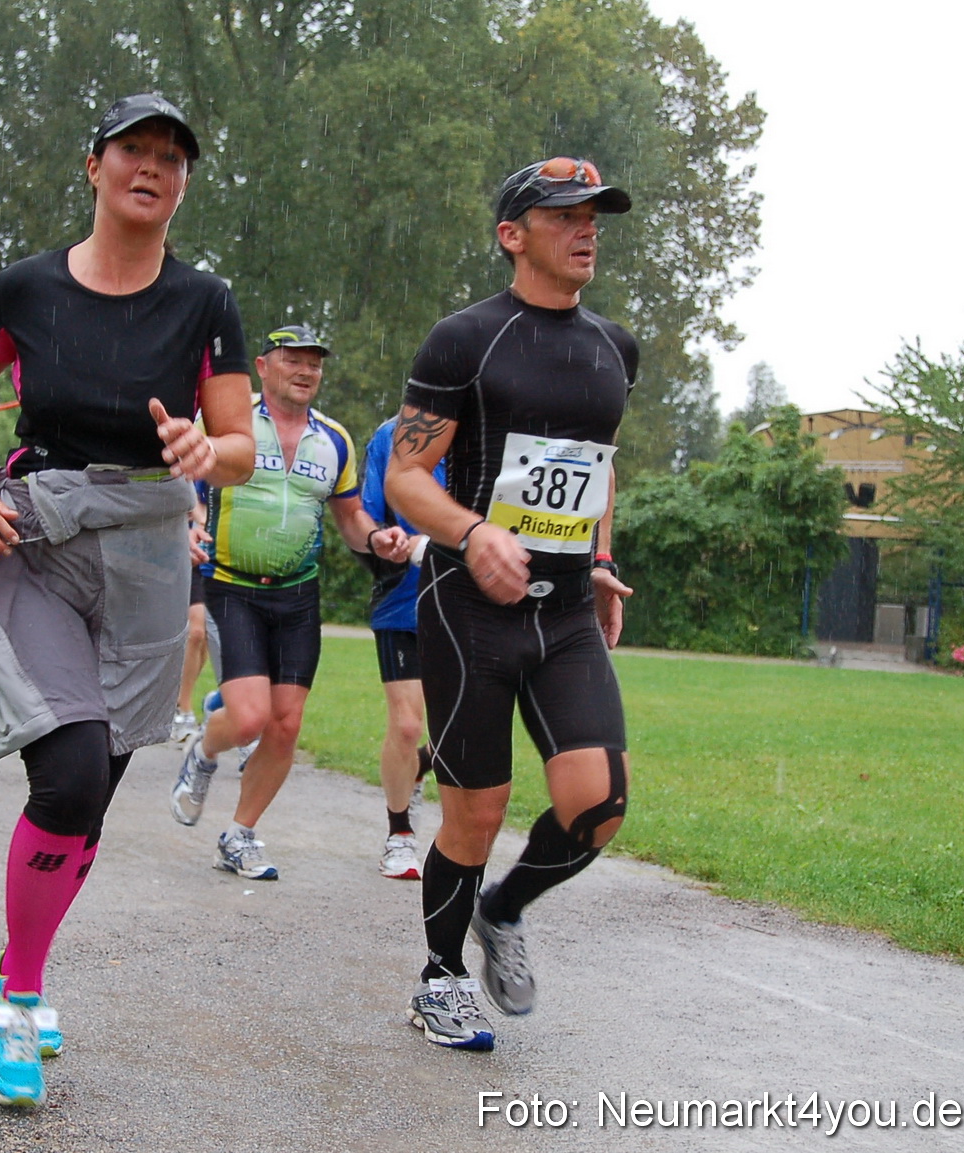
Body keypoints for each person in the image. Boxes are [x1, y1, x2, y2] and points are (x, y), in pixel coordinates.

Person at [0, 93, 254, 1110]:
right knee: (65, 774)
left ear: (184, 181)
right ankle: (19, 998)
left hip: (150, 548)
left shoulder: (206, 303)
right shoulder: (26, 288)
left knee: (97, 791)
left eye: (172, 157)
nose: (152, 167)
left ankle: (23, 954)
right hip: (35, 536)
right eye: (133, 150)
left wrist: (209, 450)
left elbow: (240, 446)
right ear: (95, 164)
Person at [384, 157, 638, 1052]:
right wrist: (472, 532)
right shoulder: (465, 339)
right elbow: (405, 476)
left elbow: (596, 468)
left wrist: (599, 558)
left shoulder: (616, 348)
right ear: (512, 233)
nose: (587, 226)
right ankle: (441, 979)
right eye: (566, 212)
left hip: (566, 611)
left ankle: (506, 906)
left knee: (598, 804)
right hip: (471, 607)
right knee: (475, 813)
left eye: (596, 213)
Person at [169, 325, 409, 881]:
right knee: (251, 718)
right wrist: (183, 523)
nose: (306, 371)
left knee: (286, 725)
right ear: (263, 365)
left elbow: (350, 517)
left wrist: (376, 540)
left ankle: (240, 835)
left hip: (299, 594)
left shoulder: (336, 441)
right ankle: (204, 752)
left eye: (315, 364)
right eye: (293, 360)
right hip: (232, 585)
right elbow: (174, 477)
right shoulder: (229, 423)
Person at [358, 418, 442, 879]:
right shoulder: (391, 435)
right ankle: (400, 833)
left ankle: (418, 769)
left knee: (462, 738)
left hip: (467, 604)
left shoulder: (490, 433)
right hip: (402, 600)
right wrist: (386, 539)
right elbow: (368, 514)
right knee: (408, 726)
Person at [171, 493, 209, 736]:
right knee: (195, 631)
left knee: (203, 636)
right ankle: (182, 711)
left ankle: (182, 699)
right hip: (183, 548)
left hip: (214, 553)